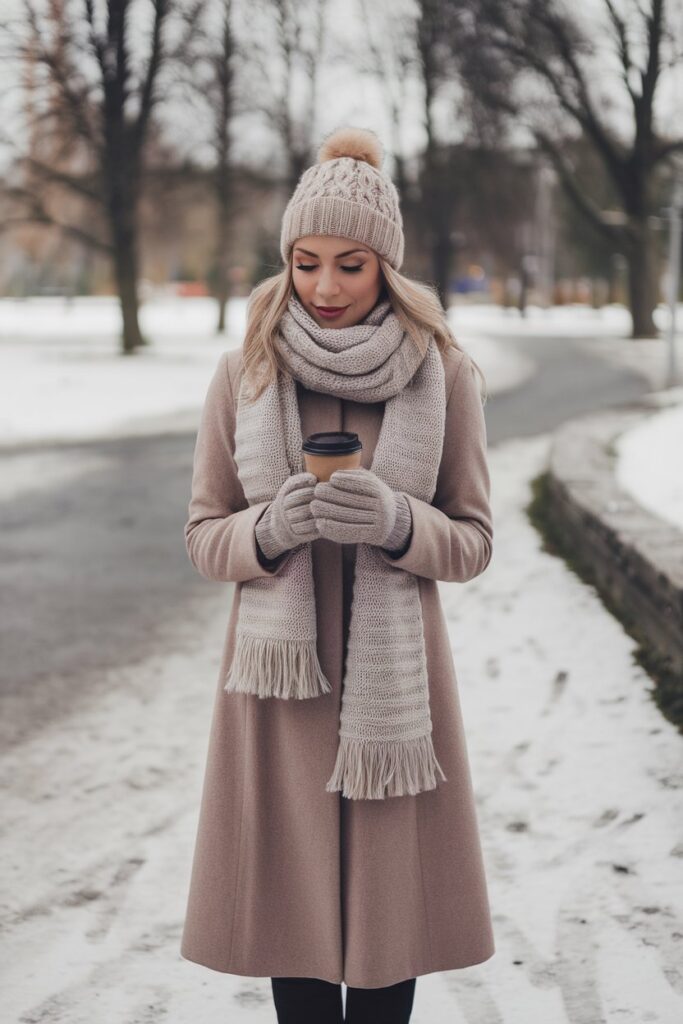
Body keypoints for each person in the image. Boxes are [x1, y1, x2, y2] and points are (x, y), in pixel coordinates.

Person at [180, 126, 496, 1023]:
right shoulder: (242, 373)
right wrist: (270, 529)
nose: (324, 288)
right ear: (286, 260)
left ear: (385, 267)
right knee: (297, 935)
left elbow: (471, 541)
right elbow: (205, 537)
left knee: (387, 934)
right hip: (280, 698)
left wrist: (398, 523)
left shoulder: (443, 375)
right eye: (307, 262)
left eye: (351, 265)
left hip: (393, 697)